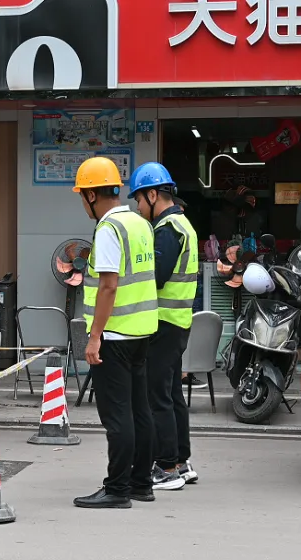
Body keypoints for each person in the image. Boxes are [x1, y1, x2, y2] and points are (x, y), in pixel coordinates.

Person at [71, 157, 159, 509]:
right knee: (141, 410)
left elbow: (108, 286)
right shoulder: (139, 224)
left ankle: (118, 488)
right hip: (141, 333)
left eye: (82, 195)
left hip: (115, 337)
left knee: (117, 415)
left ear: (92, 195)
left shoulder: (109, 229)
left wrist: (94, 337)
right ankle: (141, 483)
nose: (82, 202)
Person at [131, 162, 200, 491]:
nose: (138, 208)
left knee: (156, 395)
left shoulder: (167, 229)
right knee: (172, 395)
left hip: (163, 323)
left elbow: (155, 277)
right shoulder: (184, 224)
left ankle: (167, 467)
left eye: (139, 201)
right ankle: (182, 462)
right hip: (178, 323)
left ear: (154, 194)